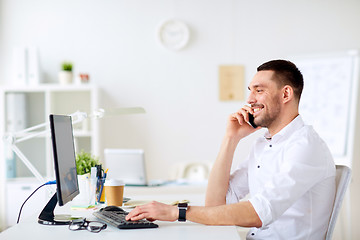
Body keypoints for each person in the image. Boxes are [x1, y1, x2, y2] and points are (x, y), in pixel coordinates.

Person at [126, 60, 336, 239]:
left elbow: (258, 213)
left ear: (286, 94)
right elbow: (215, 204)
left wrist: (177, 212)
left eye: (259, 90)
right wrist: (231, 138)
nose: (250, 100)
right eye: (250, 91)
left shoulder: (305, 147)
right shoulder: (265, 144)